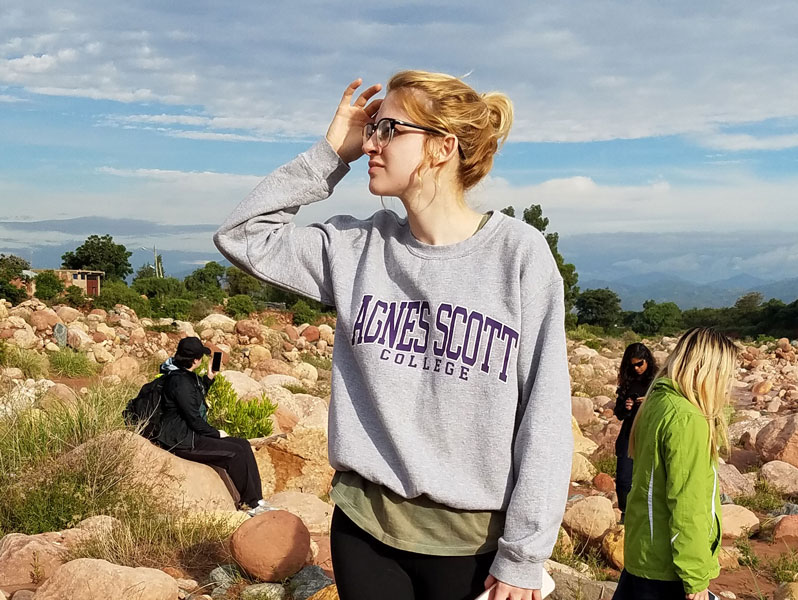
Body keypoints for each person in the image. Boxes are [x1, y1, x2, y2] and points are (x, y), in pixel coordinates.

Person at [214, 71, 572, 600]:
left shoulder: (518, 256)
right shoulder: (355, 246)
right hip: (366, 532)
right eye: (371, 130)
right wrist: (332, 152)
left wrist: (523, 556)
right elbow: (242, 236)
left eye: (387, 130)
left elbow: (544, 413)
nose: (371, 143)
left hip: (472, 548)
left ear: (442, 147)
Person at [615, 327, 738, 600]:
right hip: (667, 571)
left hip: (643, 556)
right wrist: (696, 579)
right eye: (725, 375)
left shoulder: (658, 400)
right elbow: (687, 507)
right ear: (707, 372)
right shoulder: (686, 418)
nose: (726, 386)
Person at [156, 336, 264, 510]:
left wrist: (209, 377)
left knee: (242, 444)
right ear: (196, 360)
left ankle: (257, 500)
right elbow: (193, 418)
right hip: (181, 441)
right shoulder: (179, 381)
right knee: (234, 452)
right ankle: (250, 504)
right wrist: (216, 433)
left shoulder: (181, 375)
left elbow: (192, 398)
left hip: (188, 434)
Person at [612, 343, 656, 514]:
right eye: (633, 365)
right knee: (623, 479)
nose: (637, 368)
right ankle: (625, 515)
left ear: (647, 361)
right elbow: (618, 413)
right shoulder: (628, 381)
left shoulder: (657, 380)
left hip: (650, 432)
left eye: (640, 364)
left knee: (649, 478)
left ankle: (646, 516)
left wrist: (649, 401)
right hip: (629, 433)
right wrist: (627, 406)